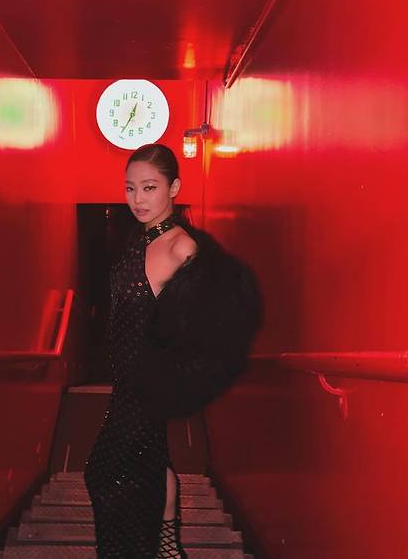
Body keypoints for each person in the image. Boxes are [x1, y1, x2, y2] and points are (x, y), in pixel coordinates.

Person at [84, 143, 263, 558]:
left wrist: (175, 372)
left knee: (103, 471)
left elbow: (212, 320)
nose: (138, 199)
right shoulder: (140, 238)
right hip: (127, 379)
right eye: (130, 188)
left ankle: (132, 551)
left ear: (174, 188)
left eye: (149, 187)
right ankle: (167, 547)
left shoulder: (183, 248)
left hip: (147, 383)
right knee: (151, 459)